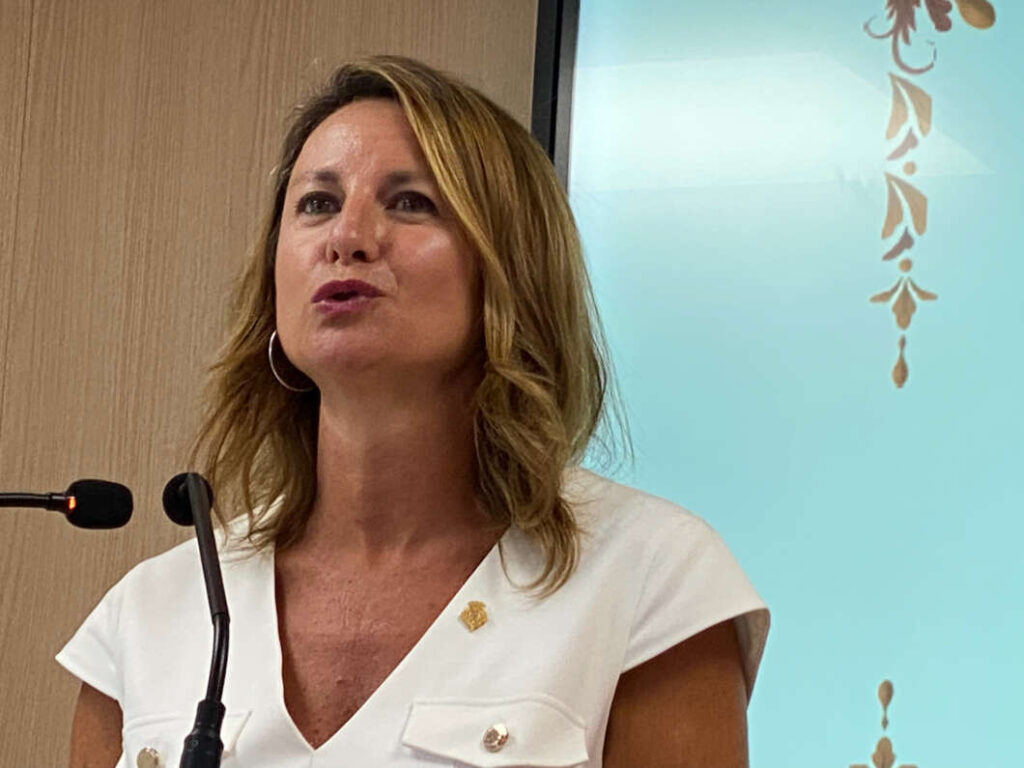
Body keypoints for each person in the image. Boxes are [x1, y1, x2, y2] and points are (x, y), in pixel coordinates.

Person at [59, 56, 769, 767]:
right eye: (317, 203)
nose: (347, 237)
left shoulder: (648, 578)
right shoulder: (151, 613)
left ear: (510, 271)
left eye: (410, 203)